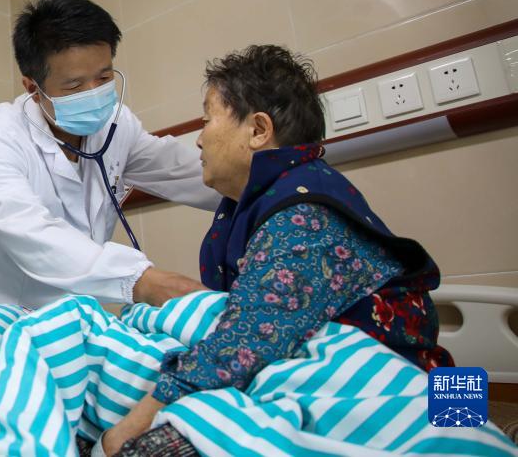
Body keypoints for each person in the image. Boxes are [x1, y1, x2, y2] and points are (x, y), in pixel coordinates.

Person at [102, 45, 452, 455]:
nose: (199, 139)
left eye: (207, 119)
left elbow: (245, 343)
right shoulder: (261, 200)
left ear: (257, 130)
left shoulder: (302, 216)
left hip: (407, 387)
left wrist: (127, 430)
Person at [0, 0, 221, 315]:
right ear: (32, 88)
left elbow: (179, 170)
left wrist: (254, 182)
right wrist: (141, 280)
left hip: (69, 320)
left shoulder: (117, 125)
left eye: (104, 78)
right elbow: (35, 238)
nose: (94, 94)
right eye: (74, 86)